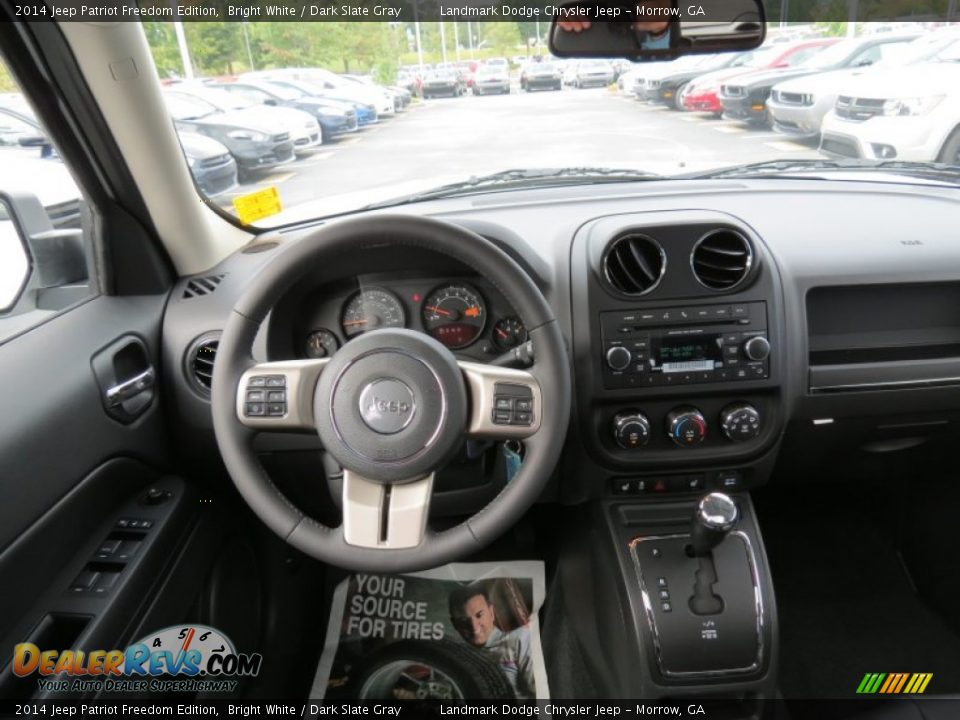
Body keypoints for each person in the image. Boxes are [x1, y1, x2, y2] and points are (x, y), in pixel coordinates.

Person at [449, 584, 535, 699]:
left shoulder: (520, 639)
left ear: (491, 612)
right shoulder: (453, 657)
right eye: (463, 620)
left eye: (479, 615)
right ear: (455, 624)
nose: (474, 627)